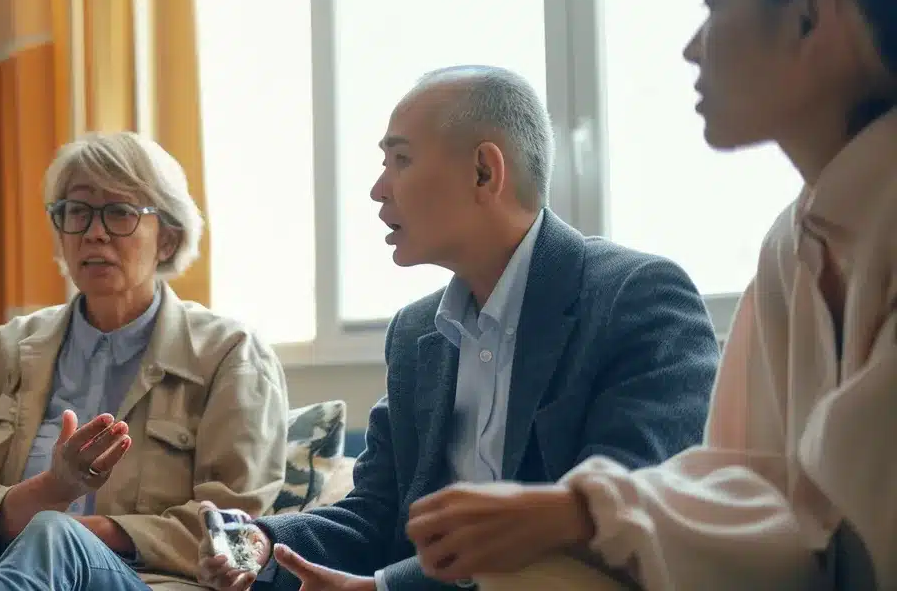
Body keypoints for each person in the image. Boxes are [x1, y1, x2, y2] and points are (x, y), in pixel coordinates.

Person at [399, 0, 897, 589]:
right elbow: (768, 500)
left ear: (810, 18)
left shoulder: (634, 294)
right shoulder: (789, 247)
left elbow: (839, 525)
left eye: (715, 6)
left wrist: (584, 509)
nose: (692, 49)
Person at [194, 66, 721, 591]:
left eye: (400, 160)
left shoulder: (635, 296)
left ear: (484, 172)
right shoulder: (415, 333)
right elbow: (376, 514)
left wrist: (386, 589)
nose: (379, 189)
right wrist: (259, 541)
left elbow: (603, 520)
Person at [0, 132, 290, 591]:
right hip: (3, 579)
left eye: (119, 212)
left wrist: (79, 535)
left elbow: (237, 528)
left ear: (168, 239)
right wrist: (53, 488)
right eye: (77, 212)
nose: (94, 232)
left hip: (148, 583)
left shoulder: (230, 353)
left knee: (53, 533)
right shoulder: (6, 352)